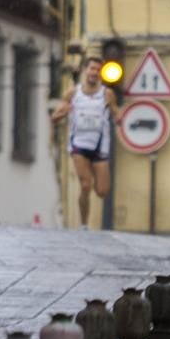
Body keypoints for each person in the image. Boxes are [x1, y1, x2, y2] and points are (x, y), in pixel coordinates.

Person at [51, 56, 120, 229]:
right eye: (91, 69)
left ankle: (85, 216)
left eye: (98, 70)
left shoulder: (107, 94)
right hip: (78, 145)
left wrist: (120, 118)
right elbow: (54, 117)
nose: (94, 73)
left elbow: (116, 114)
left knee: (102, 191)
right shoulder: (73, 93)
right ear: (84, 70)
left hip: (99, 146)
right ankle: (83, 224)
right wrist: (63, 113)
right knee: (85, 185)